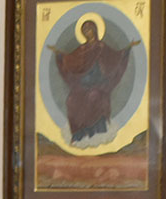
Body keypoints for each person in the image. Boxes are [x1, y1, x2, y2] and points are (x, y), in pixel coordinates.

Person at [49, 17, 136, 147]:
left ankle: (95, 132)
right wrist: (59, 55)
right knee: (71, 100)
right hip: (82, 85)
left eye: (89, 29)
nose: (87, 32)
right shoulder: (82, 49)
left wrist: (127, 49)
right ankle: (79, 134)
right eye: (84, 30)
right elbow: (70, 59)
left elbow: (115, 57)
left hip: (99, 85)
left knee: (93, 96)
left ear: (94, 30)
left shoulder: (101, 47)